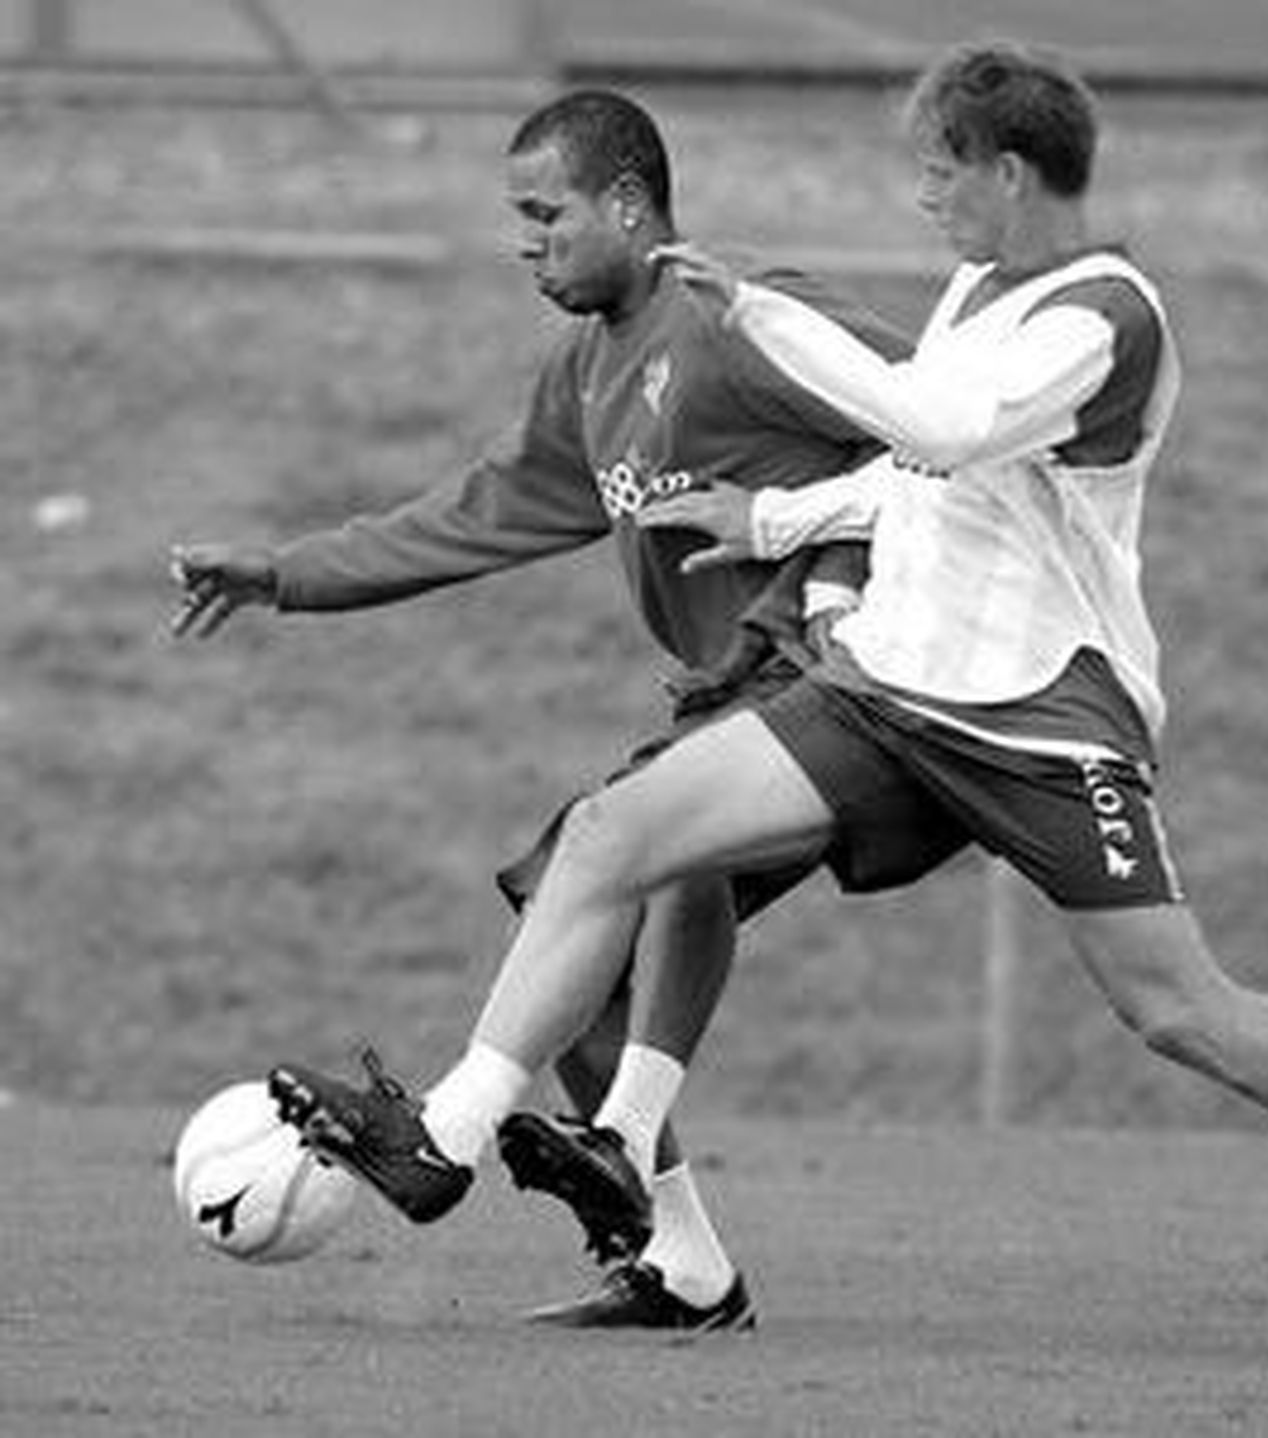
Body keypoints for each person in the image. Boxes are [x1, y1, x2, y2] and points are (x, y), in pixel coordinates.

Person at [265, 43, 1268, 1363]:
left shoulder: (1105, 315)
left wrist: (762, 313)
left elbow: (942, 431)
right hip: (883, 692)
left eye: (938, 172)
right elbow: (922, 484)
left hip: (1043, 717)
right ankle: (451, 1136)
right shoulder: (976, 295)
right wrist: (775, 513)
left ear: (1008, 171)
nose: (923, 197)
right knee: (614, 835)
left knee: (1182, 1009)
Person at [170, 88, 963, 1331]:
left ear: (631, 206)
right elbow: (472, 517)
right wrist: (286, 574)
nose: (524, 240)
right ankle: (683, 1268)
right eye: (517, 219)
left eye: (546, 213)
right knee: (575, 947)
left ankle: (445, 1133)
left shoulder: (732, 318)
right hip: (735, 699)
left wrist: (830, 570)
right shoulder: (589, 372)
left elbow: (942, 421)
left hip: (852, 693)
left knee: (639, 848)